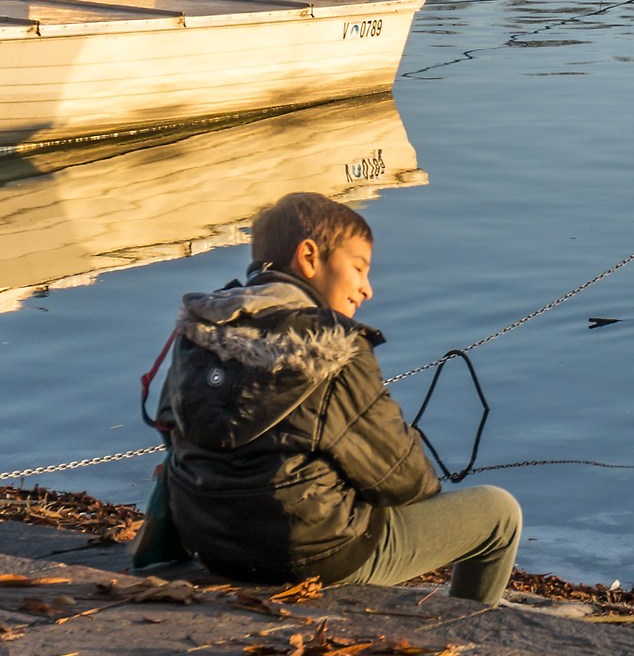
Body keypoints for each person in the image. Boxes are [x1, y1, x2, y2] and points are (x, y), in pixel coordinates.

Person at [157, 192, 521, 604]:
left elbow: (171, 432)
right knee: (500, 513)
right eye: (359, 268)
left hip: (211, 544)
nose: (367, 289)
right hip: (312, 555)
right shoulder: (335, 346)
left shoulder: (200, 331)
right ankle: (466, 624)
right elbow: (404, 481)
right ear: (309, 258)